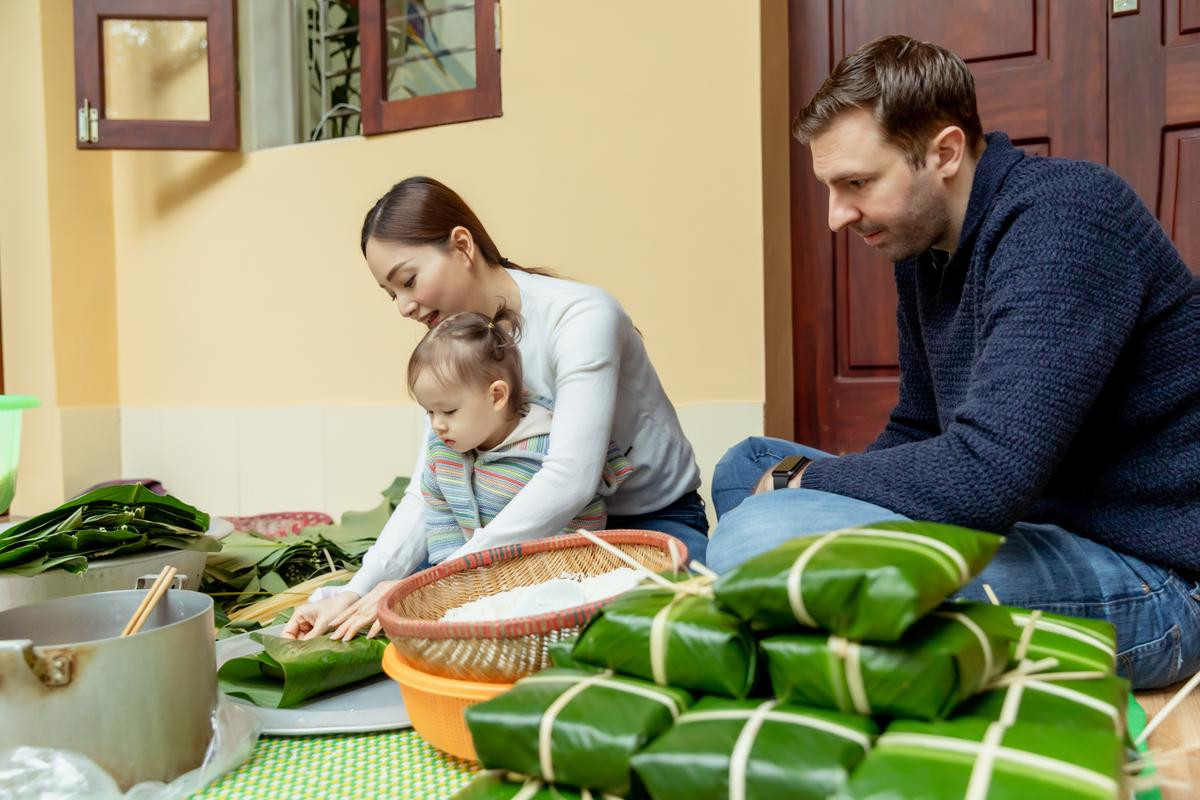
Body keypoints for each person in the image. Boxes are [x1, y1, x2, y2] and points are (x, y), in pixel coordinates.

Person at [708, 35, 1200, 689]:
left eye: (857, 183)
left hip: (1150, 573)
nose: (836, 216)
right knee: (746, 464)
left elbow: (987, 477)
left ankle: (807, 637)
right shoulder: (926, 251)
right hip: (1026, 518)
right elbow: (918, 428)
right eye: (831, 186)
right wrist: (811, 487)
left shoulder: (1070, 218)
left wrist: (808, 486)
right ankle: (828, 629)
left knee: (761, 533)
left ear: (943, 153)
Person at [283, 176, 707, 641]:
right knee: (397, 617)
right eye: (392, 294)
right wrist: (356, 588)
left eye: (408, 280)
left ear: (461, 246)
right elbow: (428, 491)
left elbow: (571, 478)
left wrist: (441, 577)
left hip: (645, 526)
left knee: (647, 634)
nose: (403, 306)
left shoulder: (581, 317)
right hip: (532, 540)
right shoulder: (450, 347)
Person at [408, 306, 632, 563]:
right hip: (476, 573)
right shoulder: (441, 451)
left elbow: (582, 518)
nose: (437, 425)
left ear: (497, 396)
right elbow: (439, 511)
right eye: (429, 412)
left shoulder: (547, 447)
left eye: (448, 411)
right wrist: (452, 570)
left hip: (550, 571)